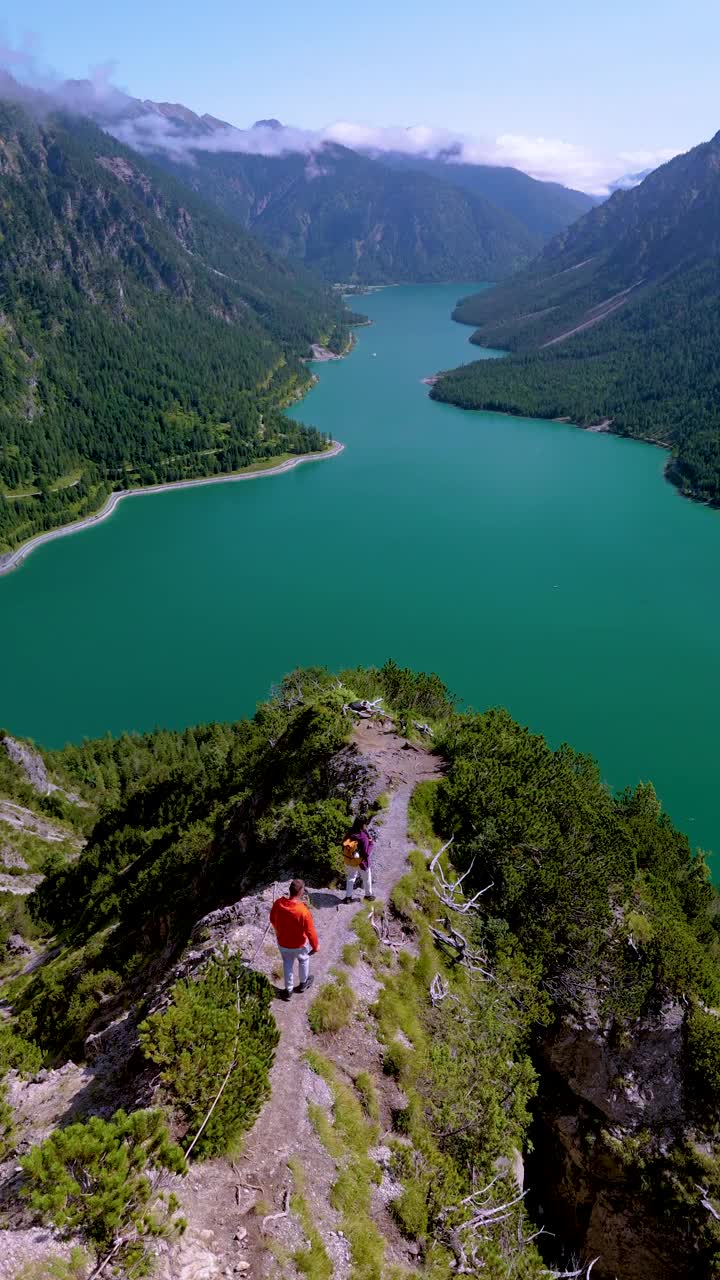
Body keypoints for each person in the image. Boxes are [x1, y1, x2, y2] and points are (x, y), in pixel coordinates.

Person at [269, 879, 319, 1001]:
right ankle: (303, 984)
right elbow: (310, 932)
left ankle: (288, 990)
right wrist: (315, 946)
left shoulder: (278, 903)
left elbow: (272, 919)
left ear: (290, 890)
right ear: (301, 892)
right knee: (303, 960)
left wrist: (278, 931)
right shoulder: (303, 911)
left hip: (283, 943)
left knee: (287, 963)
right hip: (299, 944)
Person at [342, 815, 375, 903]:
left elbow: (344, 842)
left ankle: (348, 897)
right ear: (363, 824)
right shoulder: (363, 836)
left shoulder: (350, 831)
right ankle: (368, 896)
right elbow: (366, 853)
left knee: (351, 877)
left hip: (351, 860)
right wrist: (371, 843)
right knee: (367, 878)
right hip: (362, 862)